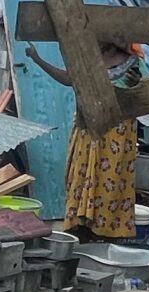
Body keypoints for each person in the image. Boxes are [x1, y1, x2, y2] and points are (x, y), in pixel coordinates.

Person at [60, 43, 143, 241]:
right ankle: (81, 225)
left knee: (111, 183)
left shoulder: (134, 63)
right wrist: (38, 60)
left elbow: (143, 96)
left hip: (116, 136)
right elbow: (70, 79)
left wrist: (136, 86)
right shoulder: (89, 59)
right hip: (88, 130)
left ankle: (107, 231)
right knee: (80, 179)